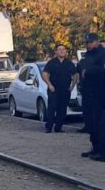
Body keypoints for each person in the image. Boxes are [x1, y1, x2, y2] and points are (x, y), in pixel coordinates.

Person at [79, 33, 105, 161]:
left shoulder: (102, 54)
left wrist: (88, 71)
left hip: (100, 94)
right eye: (87, 43)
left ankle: (102, 151)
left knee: (100, 123)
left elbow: (101, 70)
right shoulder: (88, 55)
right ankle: (95, 148)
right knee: (91, 123)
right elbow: (81, 67)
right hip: (89, 94)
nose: (89, 45)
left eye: (91, 42)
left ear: (97, 42)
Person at [42, 44, 78, 133]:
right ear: (56, 52)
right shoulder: (51, 63)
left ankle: (58, 127)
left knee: (62, 109)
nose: (62, 51)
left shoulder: (69, 63)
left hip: (65, 90)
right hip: (53, 90)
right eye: (59, 49)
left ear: (65, 51)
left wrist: (72, 86)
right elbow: (45, 74)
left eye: (63, 49)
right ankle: (48, 127)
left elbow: (75, 75)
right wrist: (49, 85)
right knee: (52, 108)